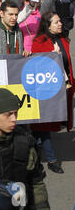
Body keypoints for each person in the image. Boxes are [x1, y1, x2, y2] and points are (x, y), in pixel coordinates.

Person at [0, 88, 52, 210]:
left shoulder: (24, 142)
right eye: (8, 114)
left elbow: (36, 183)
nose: (14, 119)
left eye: (16, 113)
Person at [30, 12, 74, 173]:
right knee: (44, 125)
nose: (60, 24)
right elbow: (37, 65)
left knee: (41, 128)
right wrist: (52, 56)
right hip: (46, 89)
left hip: (63, 86)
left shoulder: (62, 39)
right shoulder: (39, 42)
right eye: (56, 22)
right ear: (47, 25)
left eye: (60, 20)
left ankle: (33, 152)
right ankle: (51, 159)